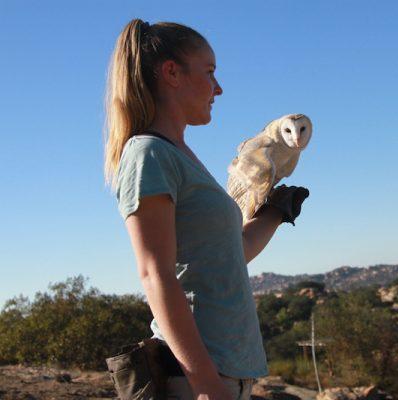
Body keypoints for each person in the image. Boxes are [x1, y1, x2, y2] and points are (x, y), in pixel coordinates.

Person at [103, 19, 309, 400]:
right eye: (210, 72)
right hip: (197, 378)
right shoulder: (148, 153)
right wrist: (206, 385)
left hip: (228, 373)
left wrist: (274, 214)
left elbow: (228, 254)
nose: (219, 88)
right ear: (171, 73)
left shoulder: (181, 156)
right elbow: (155, 274)